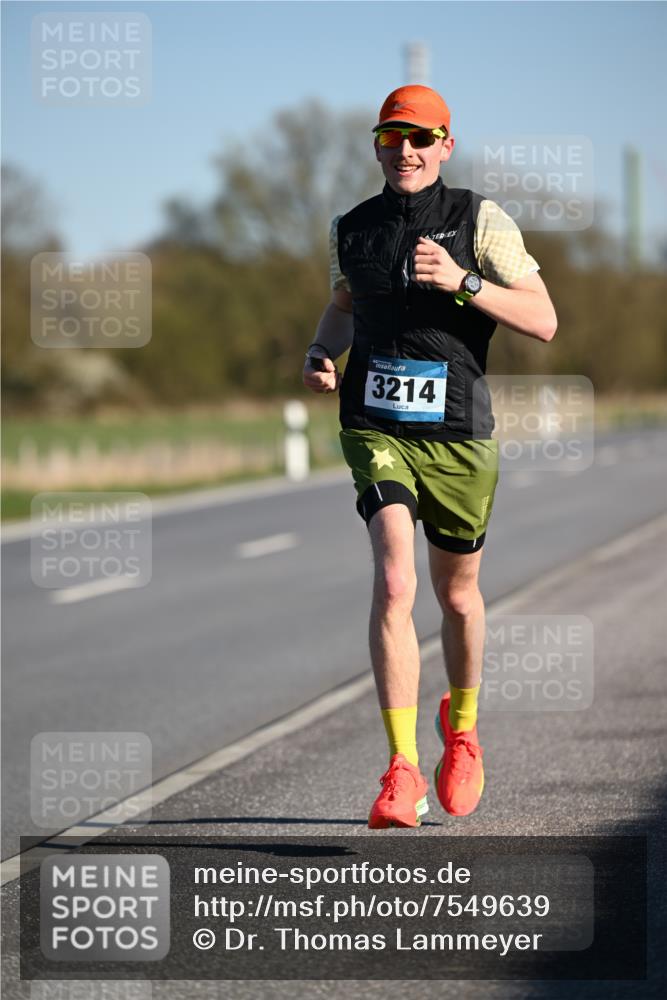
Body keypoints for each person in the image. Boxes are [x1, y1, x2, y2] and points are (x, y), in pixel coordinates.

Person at [303, 85, 557, 828]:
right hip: (374, 427)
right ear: (376, 146)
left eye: (420, 139)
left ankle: (464, 730)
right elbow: (344, 304)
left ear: (445, 144)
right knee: (392, 579)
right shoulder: (351, 228)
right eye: (391, 139)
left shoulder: (480, 220)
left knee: (456, 598)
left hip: (458, 435)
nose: (405, 152)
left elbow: (542, 320)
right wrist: (323, 349)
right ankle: (400, 768)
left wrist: (463, 282)